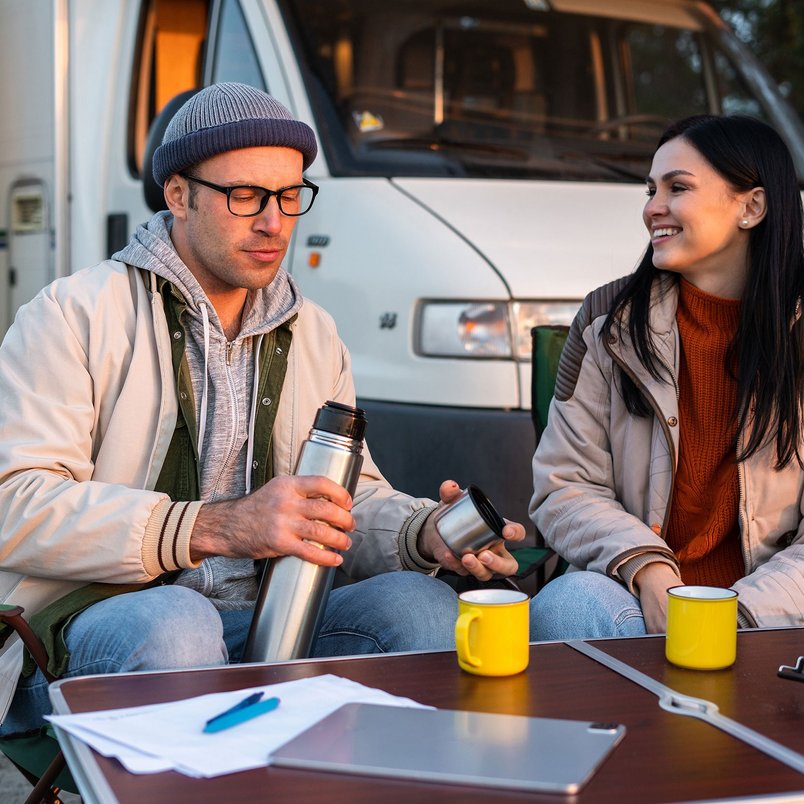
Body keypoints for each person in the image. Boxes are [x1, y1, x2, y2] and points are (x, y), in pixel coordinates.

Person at [0, 82, 525, 734]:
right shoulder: (72, 313)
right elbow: (14, 504)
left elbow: (343, 506)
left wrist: (425, 534)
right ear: (178, 194)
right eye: (245, 195)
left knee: (422, 609)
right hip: (95, 623)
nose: (274, 221)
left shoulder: (315, 333)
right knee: (180, 625)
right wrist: (212, 527)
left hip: (278, 618)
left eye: (288, 195)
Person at [530, 114, 804, 639]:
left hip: (768, 619)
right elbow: (563, 487)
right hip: (632, 601)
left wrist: (730, 613)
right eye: (651, 189)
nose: (652, 207)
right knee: (568, 605)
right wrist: (647, 566)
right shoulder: (607, 320)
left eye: (677, 187)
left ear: (752, 207)